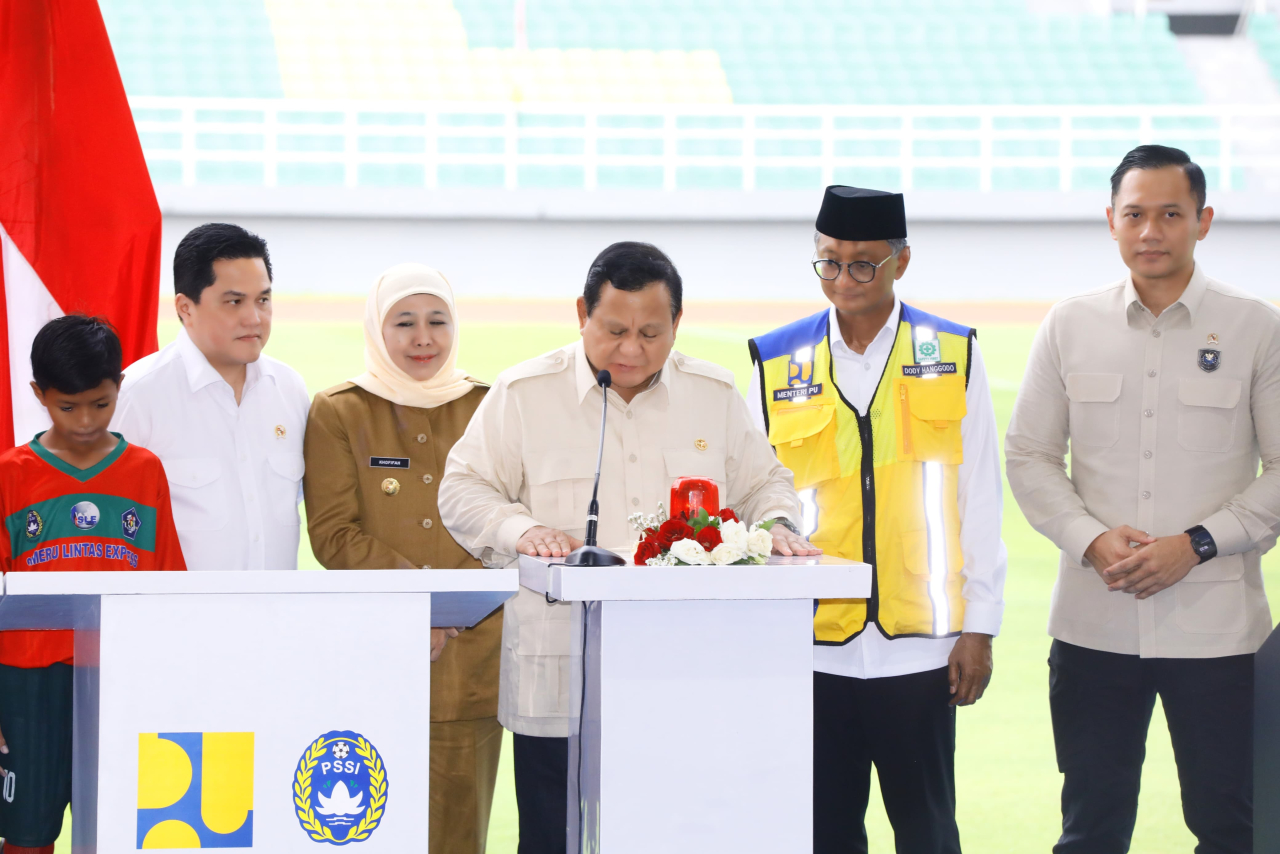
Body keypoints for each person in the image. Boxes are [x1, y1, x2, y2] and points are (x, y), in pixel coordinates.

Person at [439, 241, 817, 854]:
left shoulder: (713, 395)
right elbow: (462, 489)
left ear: (677, 324)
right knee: (551, 839)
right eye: (614, 330)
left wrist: (774, 523)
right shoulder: (524, 393)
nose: (633, 350)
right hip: (558, 673)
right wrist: (518, 530)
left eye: (651, 332)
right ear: (581, 313)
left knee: (674, 834)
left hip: (681, 677)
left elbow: (767, 484)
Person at [1005, 144, 1278, 854]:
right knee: (1091, 830)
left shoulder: (1257, 327)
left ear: (1203, 221)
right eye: (1135, 215)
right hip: (1095, 630)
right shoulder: (1069, 324)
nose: (1151, 231)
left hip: (1220, 634)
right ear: (1111, 221)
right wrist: (1090, 539)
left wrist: (1196, 543)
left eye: (1170, 214)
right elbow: (1029, 455)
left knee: (1233, 828)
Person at [747, 186, 1006, 854]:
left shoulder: (952, 352)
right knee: (821, 834)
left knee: (927, 833)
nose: (844, 279)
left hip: (920, 647)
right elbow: (750, 499)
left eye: (863, 263)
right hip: (808, 644)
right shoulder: (776, 361)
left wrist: (979, 626)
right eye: (829, 262)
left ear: (902, 261)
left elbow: (980, 495)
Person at [302, 263, 501, 854]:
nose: (423, 338)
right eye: (404, 322)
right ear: (376, 329)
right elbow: (334, 533)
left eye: (437, 321)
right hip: (374, 653)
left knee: (461, 831)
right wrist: (423, 606)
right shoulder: (339, 411)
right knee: (361, 827)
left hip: (472, 660)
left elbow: (507, 524)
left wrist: (452, 612)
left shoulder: (488, 406)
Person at [0, 316, 186, 854]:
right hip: (25, 683)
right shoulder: (11, 474)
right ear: (38, 394)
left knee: (118, 828)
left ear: (119, 386)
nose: (84, 420)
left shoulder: (144, 471)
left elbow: (168, 585)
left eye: (100, 404)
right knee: (28, 835)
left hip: (120, 674)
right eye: (67, 406)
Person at [111, 223, 311, 572]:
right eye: (234, 302)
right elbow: (113, 533)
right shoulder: (137, 397)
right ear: (185, 308)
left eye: (263, 300)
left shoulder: (290, 389)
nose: (254, 318)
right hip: (178, 621)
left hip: (280, 620)